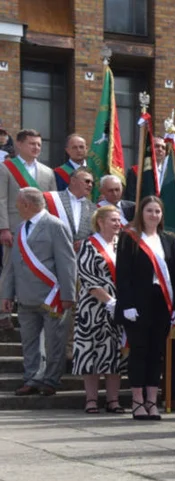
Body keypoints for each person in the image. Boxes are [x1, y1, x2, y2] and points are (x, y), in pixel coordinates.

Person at [0, 188, 75, 395]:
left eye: (18, 203)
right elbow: (12, 265)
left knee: (54, 341)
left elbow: (66, 262)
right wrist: (6, 294)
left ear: (27, 205)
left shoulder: (55, 226)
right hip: (25, 297)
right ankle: (32, 378)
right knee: (29, 342)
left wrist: (68, 295)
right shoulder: (21, 227)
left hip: (52, 297)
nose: (15, 206)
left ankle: (51, 380)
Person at [115, 196, 175, 420]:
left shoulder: (169, 240)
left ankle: (152, 401)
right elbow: (123, 274)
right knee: (139, 351)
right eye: (149, 211)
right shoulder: (130, 238)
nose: (154, 215)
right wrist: (126, 304)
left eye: (157, 211)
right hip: (137, 303)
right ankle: (137, 401)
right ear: (140, 213)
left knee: (157, 353)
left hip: (162, 301)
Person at [73, 205, 128, 413]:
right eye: (113, 220)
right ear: (101, 222)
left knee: (115, 353)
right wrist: (109, 301)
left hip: (118, 308)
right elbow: (87, 277)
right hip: (93, 308)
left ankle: (113, 400)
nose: (117, 224)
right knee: (91, 353)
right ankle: (91, 400)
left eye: (118, 220)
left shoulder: (121, 244)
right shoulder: (89, 245)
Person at [0, 130, 57, 331]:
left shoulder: (47, 172)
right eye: (32, 144)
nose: (36, 148)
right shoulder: (6, 168)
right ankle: (4, 313)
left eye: (39, 144)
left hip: (41, 229)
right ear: (19, 145)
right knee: (9, 267)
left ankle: (37, 305)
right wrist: (3, 227)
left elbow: (50, 203)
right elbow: (2, 199)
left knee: (39, 268)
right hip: (15, 227)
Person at [45, 167, 94, 251]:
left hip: (81, 257)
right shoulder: (51, 199)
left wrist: (84, 243)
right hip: (53, 252)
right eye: (87, 181)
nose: (90, 185)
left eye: (92, 183)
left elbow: (95, 234)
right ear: (73, 181)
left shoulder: (93, 207)